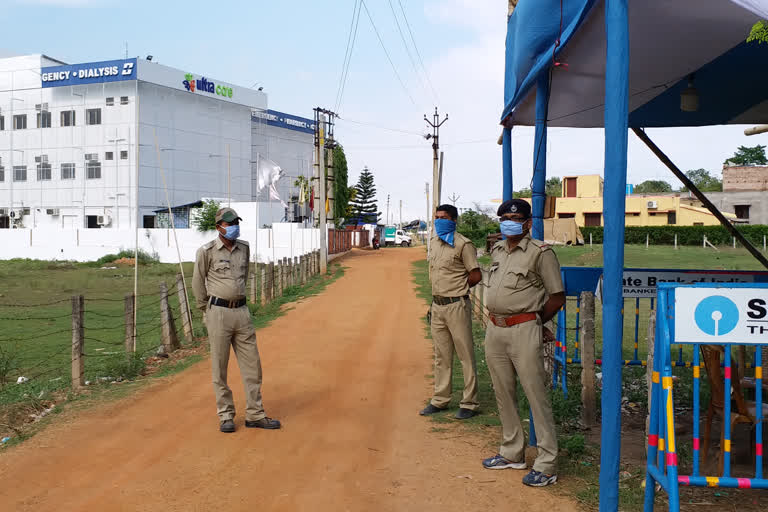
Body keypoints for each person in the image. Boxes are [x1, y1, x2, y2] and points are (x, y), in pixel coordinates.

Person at [481, 199, 565, 487]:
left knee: (535, 395)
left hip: (524, 329)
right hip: (496, 328)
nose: (508, 222)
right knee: (503, 392)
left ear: (528, 223)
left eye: (514, 218)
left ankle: (547, 462)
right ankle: (512, 451)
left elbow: (557, 296)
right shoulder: (498, 250)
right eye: (504, 217)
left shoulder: (541, 253)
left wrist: (537, 323)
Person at [192, 207, 281, 433]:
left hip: (242, 312)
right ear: (219, 226)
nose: (234, 227)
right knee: (219, 368)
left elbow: (244, 275)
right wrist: (207, 309)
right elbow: (197, 283)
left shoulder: (244, 248)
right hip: (218, 313)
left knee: (253, 366)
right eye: (229, 223)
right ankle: (226, 415)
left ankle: (255, 414)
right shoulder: (206, 251)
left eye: (236, 222)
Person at [420, 204, 483, 419]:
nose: (439, 220)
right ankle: (440, 399)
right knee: (441, 355)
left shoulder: (463, 245)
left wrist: (458, 289)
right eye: (436, 217)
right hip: (437, 306)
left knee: (465, 354)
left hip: (457, 305)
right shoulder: (434, 242)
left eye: (444, 217)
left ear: (454, 220)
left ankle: (470, 402)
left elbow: (475, 274)